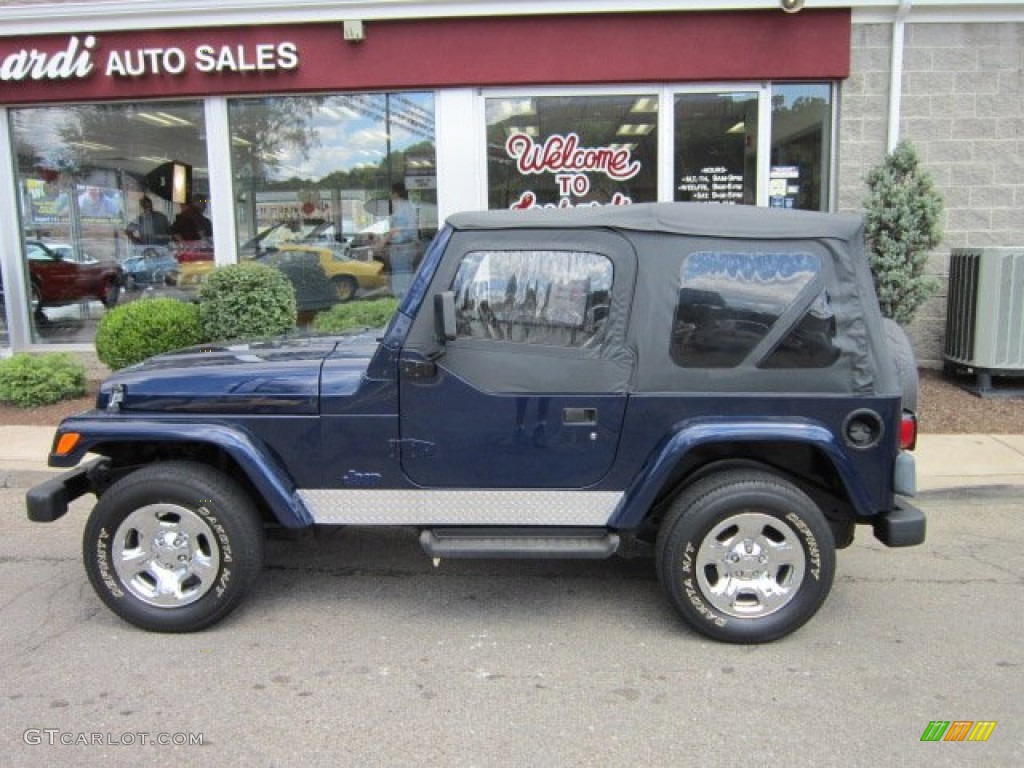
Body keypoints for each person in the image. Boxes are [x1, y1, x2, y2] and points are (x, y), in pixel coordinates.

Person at [380, 182, 418, 299]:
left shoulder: (406, 208)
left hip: (403, 247)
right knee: (399, 276)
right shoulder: (401, 207)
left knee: (402, 277)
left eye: (391, 193)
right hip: (398, 248)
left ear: (396, 193)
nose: (390, 196)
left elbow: (410, 229)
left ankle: (402, 300)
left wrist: (391, 235)